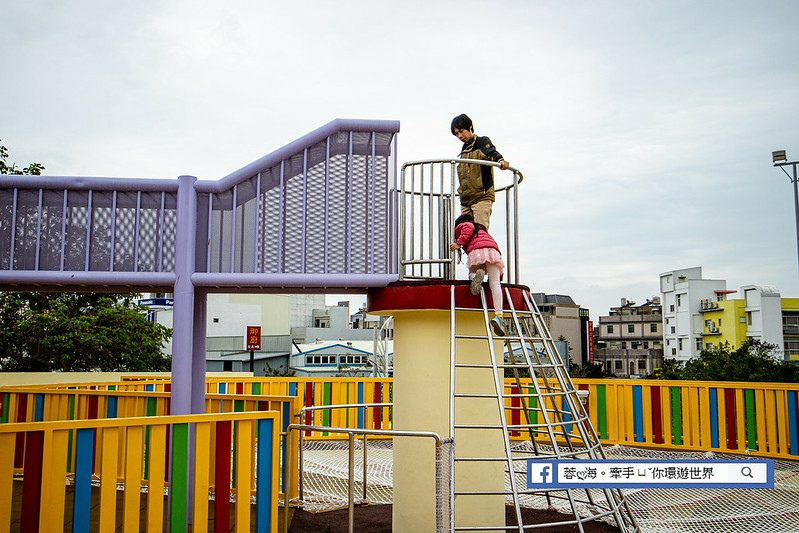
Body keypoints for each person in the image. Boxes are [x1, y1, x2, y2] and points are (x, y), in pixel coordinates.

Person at [449, 213, 506, 336]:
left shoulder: (465, 225)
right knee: (495, 283)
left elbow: (467, 228)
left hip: (477, 251)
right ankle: (499, 316)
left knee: (472, 272)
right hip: (493, 251)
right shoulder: (484, 232)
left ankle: (475, 278)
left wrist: (459, 243)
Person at [451, 113, 510, 230]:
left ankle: (483, 249)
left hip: (481, 196)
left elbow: (491, 152)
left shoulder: (481, 142)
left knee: (480, 232)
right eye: (456, 134)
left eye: (461, 131)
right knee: (466, 233)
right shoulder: (464, 150)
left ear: (470, 128)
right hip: (466, 198)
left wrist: (501, 160)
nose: (459, 136)